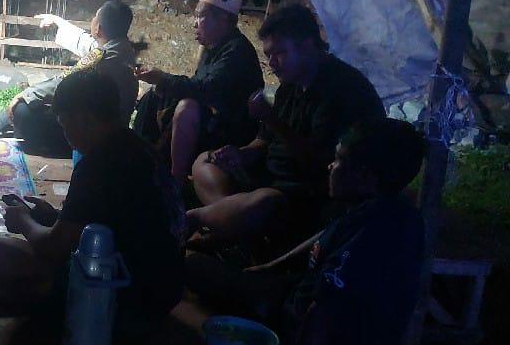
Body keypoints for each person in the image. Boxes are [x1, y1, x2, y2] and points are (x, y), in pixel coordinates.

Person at [181, 118, 426, 345]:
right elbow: (326, 237)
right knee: (197, 268)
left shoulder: (375, 235)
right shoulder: (383, 209)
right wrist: (269, 268)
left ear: (365, 176)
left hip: (288, 320)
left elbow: (322, 315)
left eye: (339, 159)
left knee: (188, 280)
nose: (330, 166)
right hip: (287, 292)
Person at [0, 70, 184, 338]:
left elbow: (54, 248)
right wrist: (54, 216)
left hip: (126, 297)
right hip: (168, 290)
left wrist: (24, 221)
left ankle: (47, 296)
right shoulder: (140, 147)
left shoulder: (97, 165)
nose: (65, 135)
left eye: (65, 125)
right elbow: (107, 220)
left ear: (84, 119)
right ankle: (36, 292)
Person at [187, 3, 384, 246]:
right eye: (268, 55)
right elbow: (264, 141)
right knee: (204, 162)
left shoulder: (343, 90)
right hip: (269, 176)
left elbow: (317, 163)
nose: (272, 63)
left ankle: (205, 220)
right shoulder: (290, 84)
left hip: (304, 190)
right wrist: (240, 154)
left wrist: (270, 118)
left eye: (279, 53)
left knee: (264, 202)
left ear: (308, 45)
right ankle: (230, 221)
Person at [0, 0, 141, 157]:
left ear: (98, 28)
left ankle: (4, 129)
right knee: (34, 102)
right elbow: (85, 42)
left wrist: (26, 94)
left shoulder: (103, 58)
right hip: (105, 127)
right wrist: (57, 21)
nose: (92, 20)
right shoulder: (121, 49)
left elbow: (64, 83)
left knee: (23, 111)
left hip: (94, 135)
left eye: (94, 17)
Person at [134, 0, 263, 184]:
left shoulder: (236, 52)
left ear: (223, 20)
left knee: (187, 107)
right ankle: (141, 158)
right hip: (211, 122)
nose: (194, 24)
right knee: (156, 94)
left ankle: (176, 181)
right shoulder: (215, 48)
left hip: (229, 133)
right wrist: (161, 82)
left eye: (201, 16)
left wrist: (163, 78)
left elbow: (205, 90)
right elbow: (196, 84)